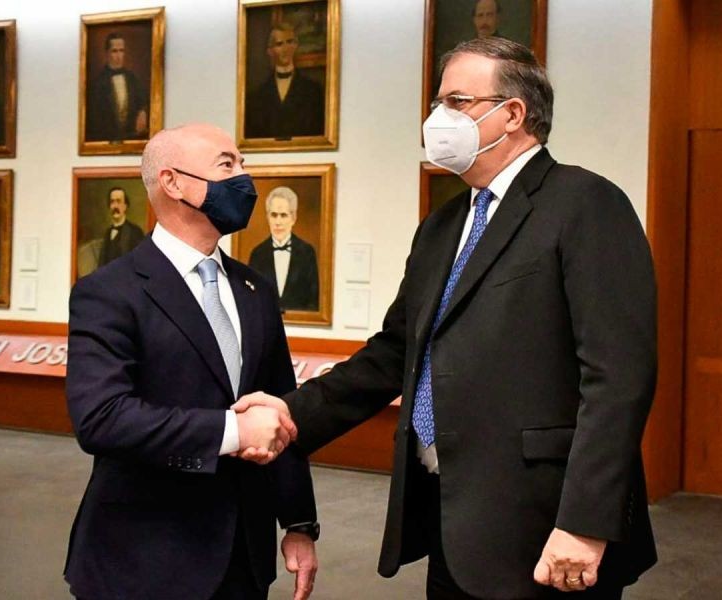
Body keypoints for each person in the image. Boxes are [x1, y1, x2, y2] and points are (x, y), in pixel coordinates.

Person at [236, 38, 658, 599]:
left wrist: (584, 522)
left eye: (457, 102)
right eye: (438, 103)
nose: (439, 118)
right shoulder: (442, 226)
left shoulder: (584, 203)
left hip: (549, 526)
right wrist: (291, 412)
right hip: (452, 519)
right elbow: (394, 353)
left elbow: (618, 378)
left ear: (513, 113)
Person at [64, 123, 318, 600]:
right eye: (227, 164)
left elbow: (280, 408)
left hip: (243, 558)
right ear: (173, 182)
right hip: (142, 559)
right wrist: (233, 431)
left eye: (242, 163)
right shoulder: (109, 292)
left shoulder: (255, 290)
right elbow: (101, 418)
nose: (244, 178)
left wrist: (299, 523)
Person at [244, 22, 325, 140]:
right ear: (270, 51)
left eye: (289, 42)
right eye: (279, 44)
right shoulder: (257, 96)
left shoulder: (314, 91)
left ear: (296, 46)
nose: (285, 49)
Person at [248, 186, 319, 311]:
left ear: (293, 218)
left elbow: (313, 301)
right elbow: (251, 300)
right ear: (268, 217)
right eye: (274, 215)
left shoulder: (307, 253)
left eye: (283, 215)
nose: (278, 222)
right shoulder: (257, 254)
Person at [86, 32, 149, 142]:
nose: (119, 56)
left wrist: (143, 112)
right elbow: (94, 122)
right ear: (107, 53)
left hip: (132, 138)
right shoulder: (97, 84)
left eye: (121, 51)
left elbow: (144, 101)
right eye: (114, 51)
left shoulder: (132, 79)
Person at [97, 186, 145, 267]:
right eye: (112, 202)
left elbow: (141, 263)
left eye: (118, 201)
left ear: (125, 206)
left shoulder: (135, 232)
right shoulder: (107, 233)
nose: (115, 206)